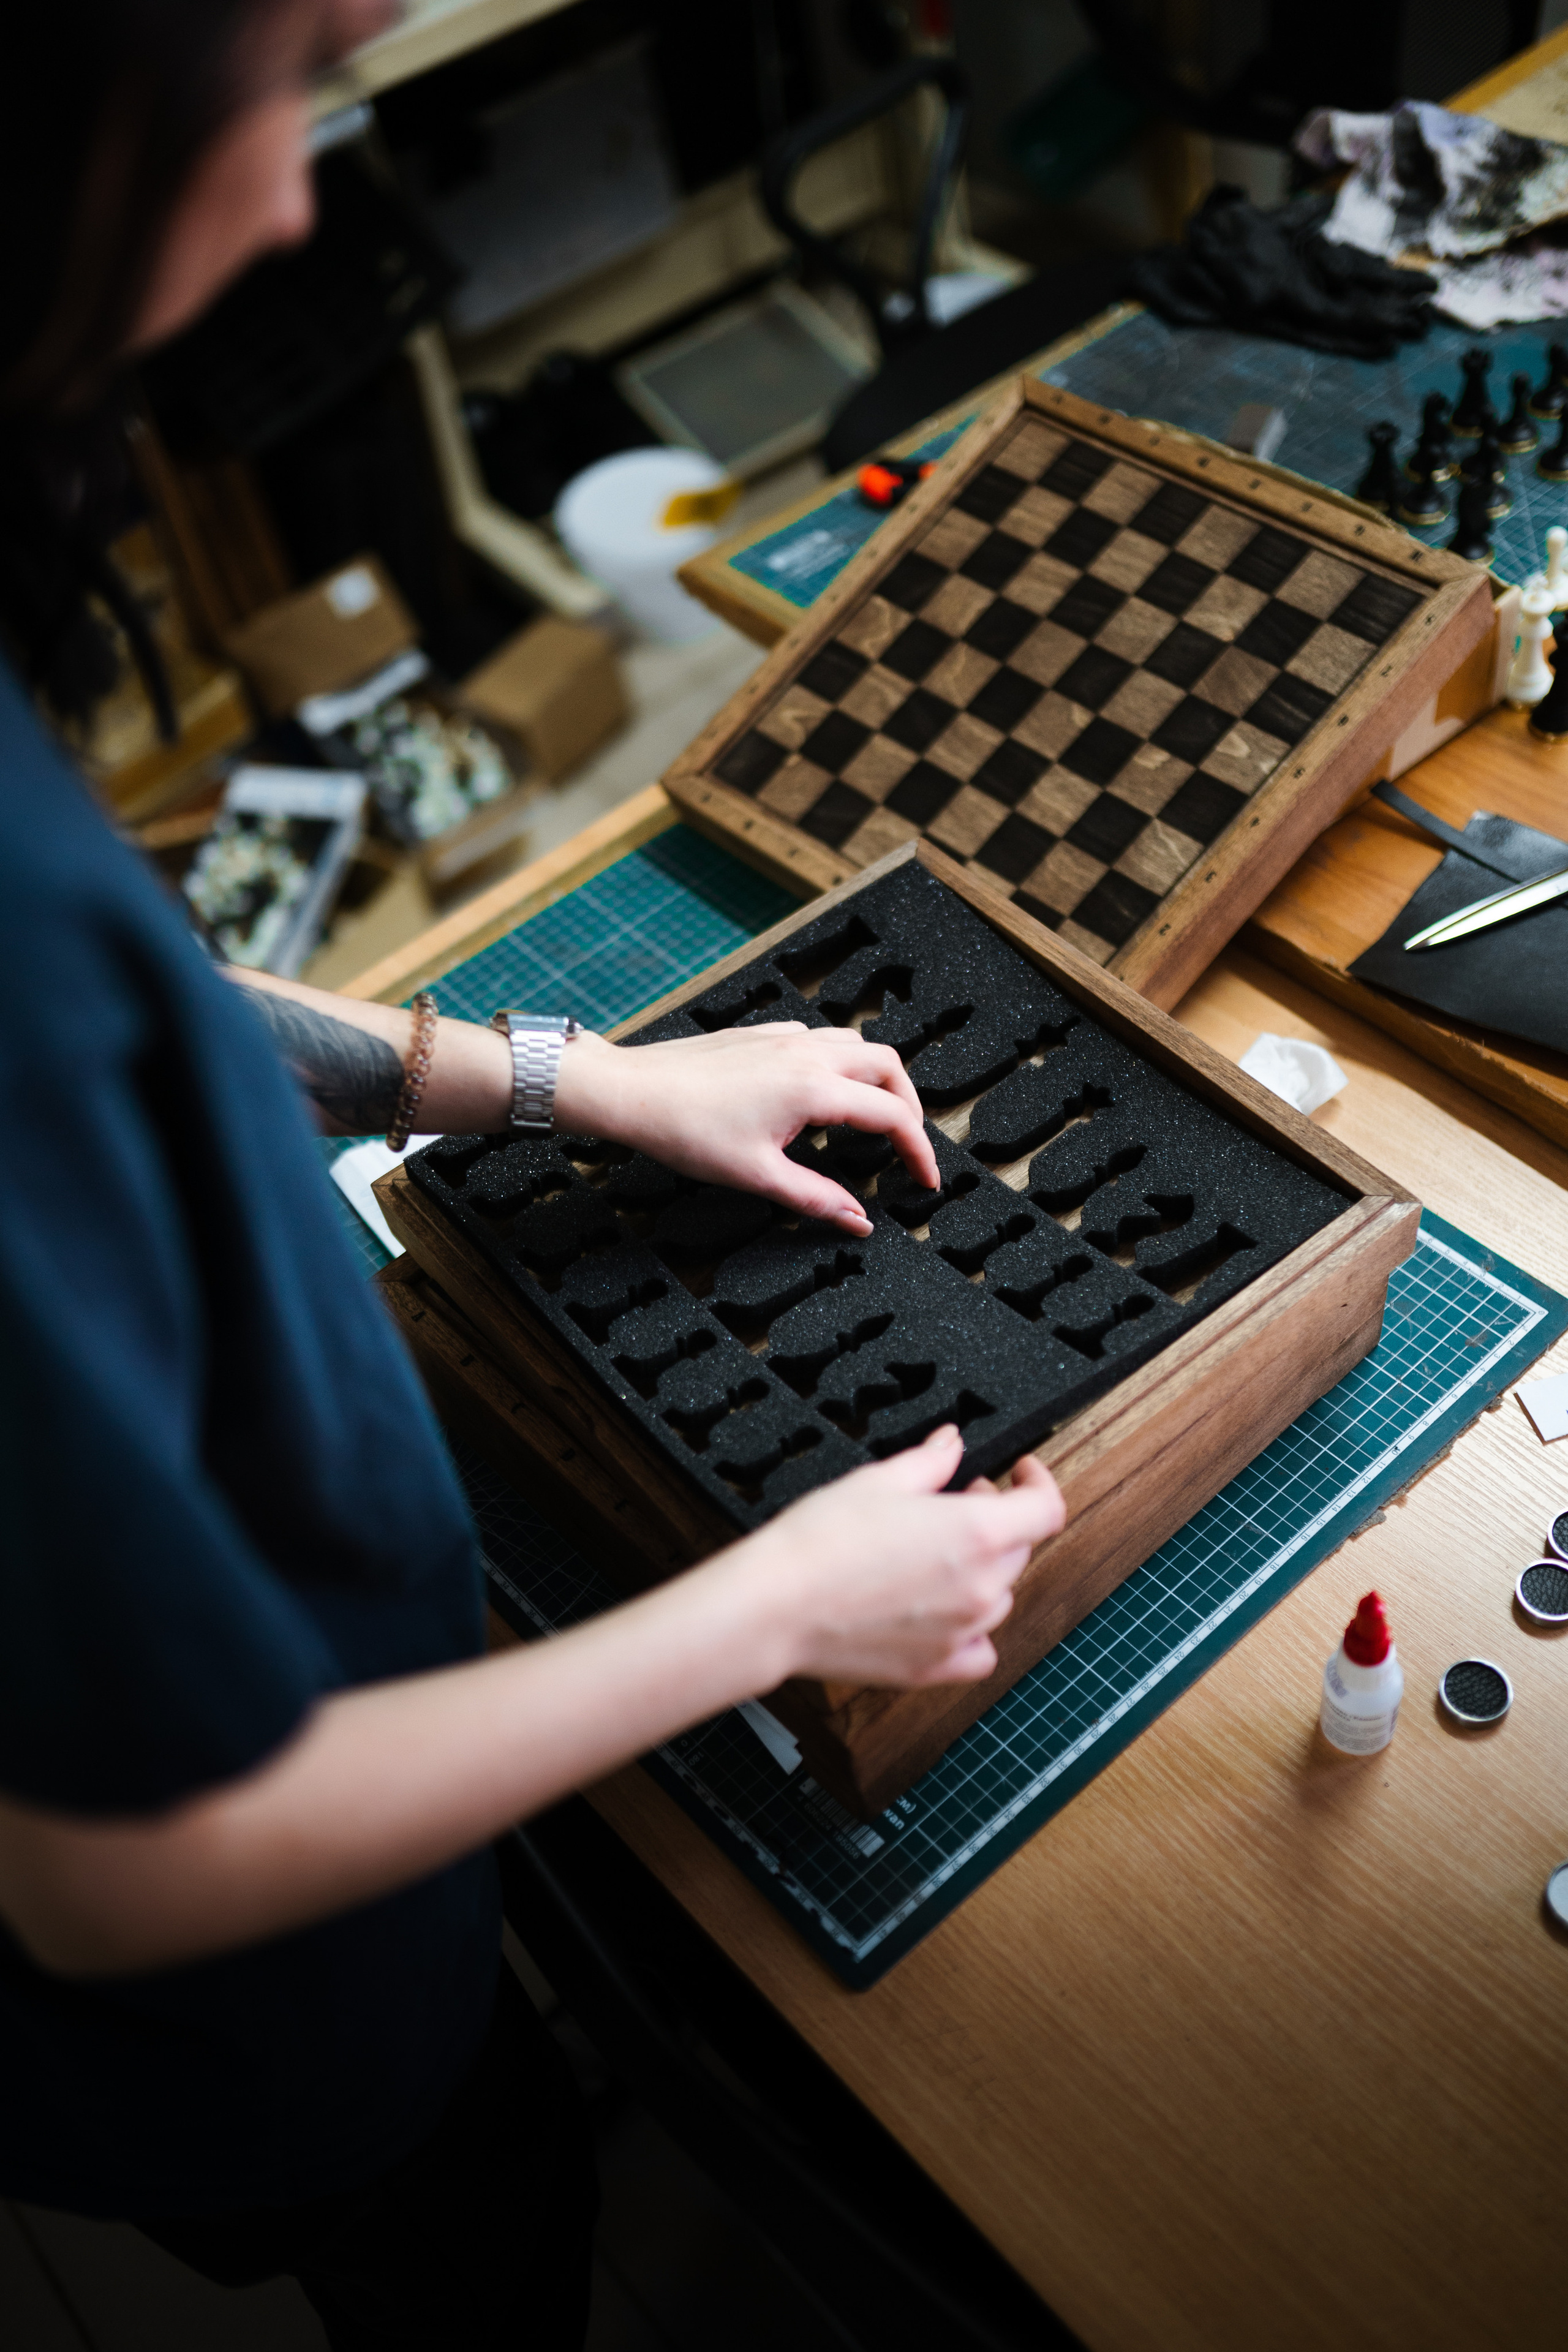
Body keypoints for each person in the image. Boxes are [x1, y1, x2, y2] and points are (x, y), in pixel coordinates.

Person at [0, 6, 1064, 2346]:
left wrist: (555, 1080)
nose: (301, 192)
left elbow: (141, 1017)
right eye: (267, 76)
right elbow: (116, 1870)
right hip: (269, 2016)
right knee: (467, 2255)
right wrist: (772, 1613)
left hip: (324, 1816)